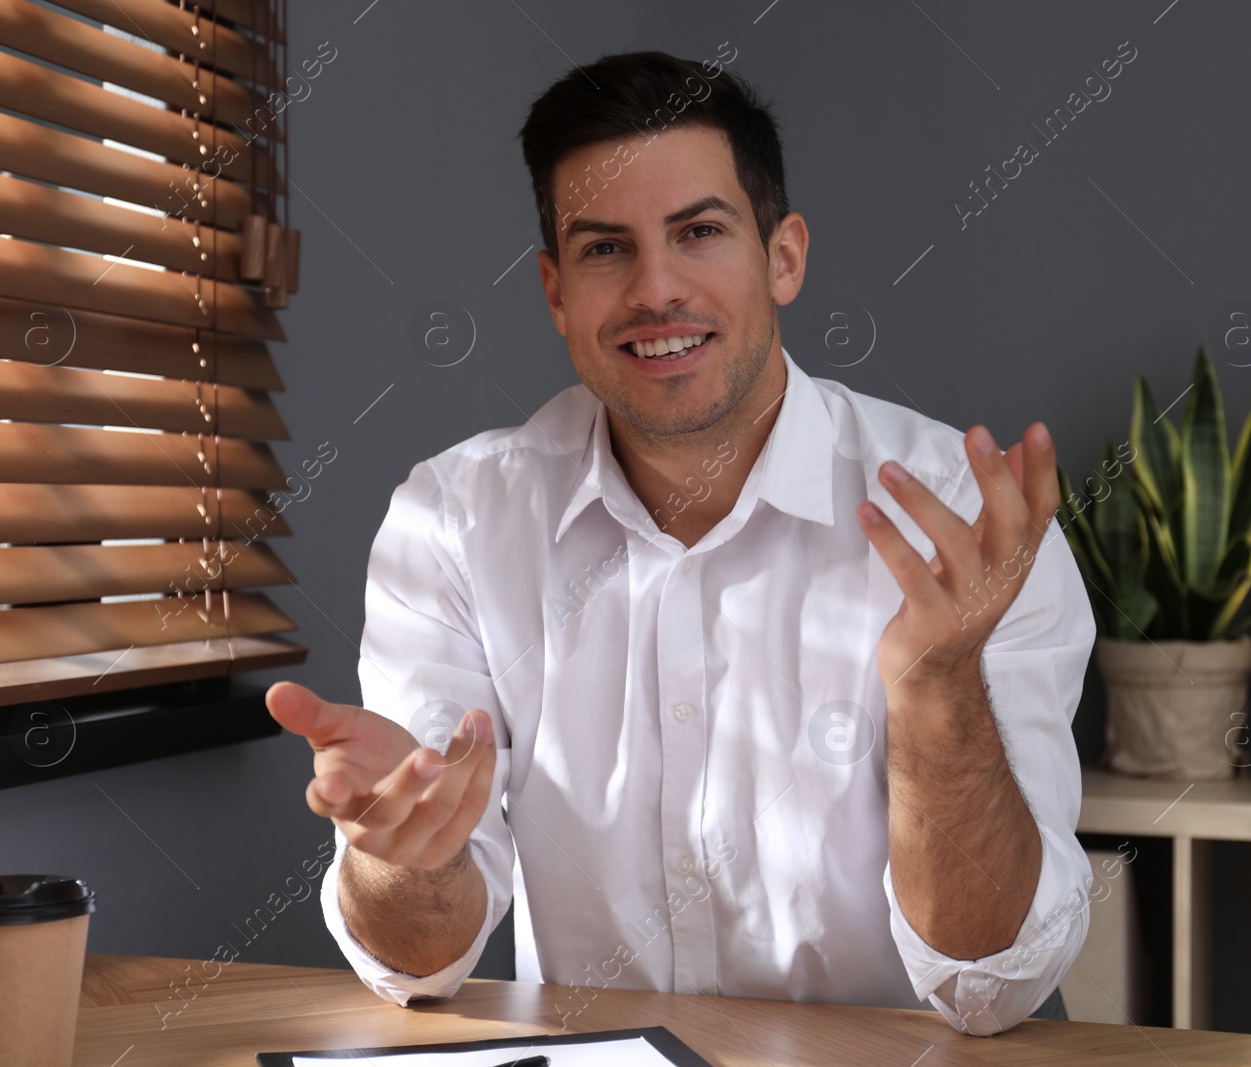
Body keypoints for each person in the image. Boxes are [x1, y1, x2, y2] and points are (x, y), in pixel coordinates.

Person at [266, 49, 1096, 1037]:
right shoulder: (453, 520)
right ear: (555, 290)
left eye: (699, 232)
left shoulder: (961, 519)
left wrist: (937, 688)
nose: (656, 290)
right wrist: (397, 849)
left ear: (783, 256)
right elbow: (422, 958)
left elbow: (992, 984)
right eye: (605, 248)